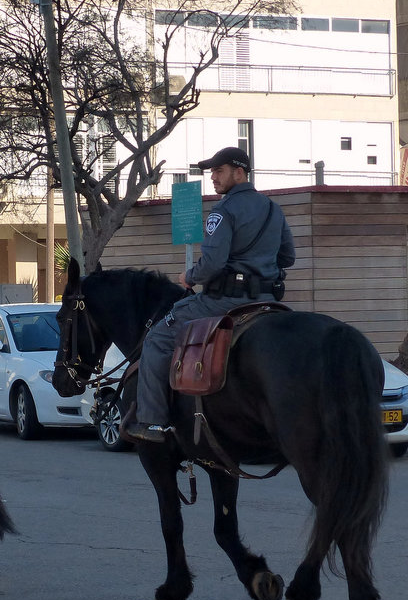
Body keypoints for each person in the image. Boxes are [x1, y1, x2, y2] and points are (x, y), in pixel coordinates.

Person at [120, 147, 296, 443]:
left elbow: (212, 264)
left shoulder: (223, 211)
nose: (213, 178)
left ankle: (152, 423)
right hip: (267, 302)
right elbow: (288, 257)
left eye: (219, 171)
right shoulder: (272, 209)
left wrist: (188, 276)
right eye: (212, 172)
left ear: (239, 173)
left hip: (224, 303)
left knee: (158, 339)